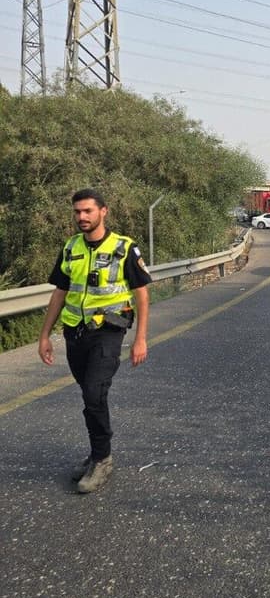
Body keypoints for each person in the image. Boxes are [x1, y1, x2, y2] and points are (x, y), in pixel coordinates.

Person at [38, 189, 151, 494]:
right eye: (77, 212)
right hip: (75, 332)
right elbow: (60, 292)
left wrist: (140, 339)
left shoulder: (124, 248)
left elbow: (141, 294)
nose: (82, 217)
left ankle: (102, 459)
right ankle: (95, 453)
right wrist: (45, 334)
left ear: (104, 212)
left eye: (88, 211)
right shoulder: (71, 247)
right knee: (89, 397)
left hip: (109, 331)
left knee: (94, 392)